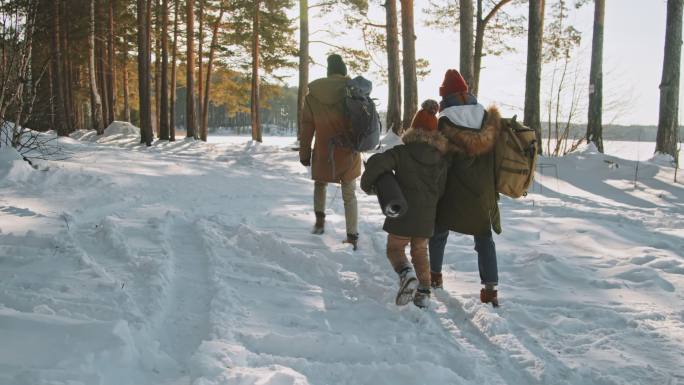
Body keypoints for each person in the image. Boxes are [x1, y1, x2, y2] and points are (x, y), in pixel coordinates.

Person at [361, 100, 449, 308]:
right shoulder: (441, 160)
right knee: (420, 251)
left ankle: (405, 273)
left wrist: (368, 186)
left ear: (413, 129)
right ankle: (424, 291)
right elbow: (441, 190)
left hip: (402, 211)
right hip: (426, 216)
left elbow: (378, 163)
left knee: (394, 249)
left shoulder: (401, 153)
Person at [429, 69, 503, 307]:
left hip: (453, 188)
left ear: (445, 96)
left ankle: (435, 276)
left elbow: (438, 160)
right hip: (481, 190)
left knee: (439, 232)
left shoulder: (444, 120)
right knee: (484, 238)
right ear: (466, 92)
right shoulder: (485, 117)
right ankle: (490, 289)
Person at [300, 54, 362, 249]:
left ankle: (319, 221)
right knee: (349, 194)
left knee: (320, 184)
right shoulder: (351, 90)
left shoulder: (313, 95)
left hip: (324, 149)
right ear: (343, 71)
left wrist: (304, 153)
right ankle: (352, 236)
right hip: (348, 149)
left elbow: (307, 127)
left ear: (328, 72)